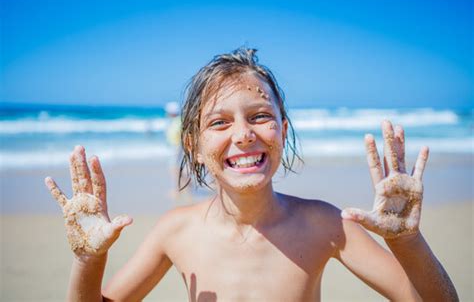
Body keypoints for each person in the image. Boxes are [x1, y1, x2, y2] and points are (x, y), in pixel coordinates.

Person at [45, 48, 458, 301]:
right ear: (194, 146)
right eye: (220, 123)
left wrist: (407, 242)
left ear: (283, 128)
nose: (244, 135)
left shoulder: (325, 225)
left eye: (260, 116)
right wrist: (88, 259)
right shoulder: (175, 231)